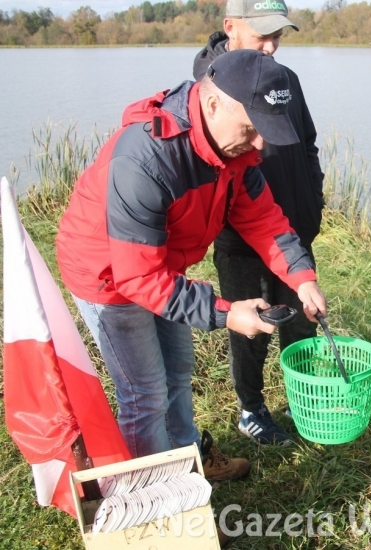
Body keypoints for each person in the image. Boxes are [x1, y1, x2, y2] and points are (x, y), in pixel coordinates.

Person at [56, 49, 328, 481]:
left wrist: (302, 277)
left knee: (177, 373)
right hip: (108, 276)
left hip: (162, 267)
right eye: (252, 129)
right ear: (214, 103)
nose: (260, 144)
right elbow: (138, 277)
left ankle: (187, 465)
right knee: (145, 393)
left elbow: (262, 217)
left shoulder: (235, 151)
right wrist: (226, 313)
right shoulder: (146, 158)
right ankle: (163, 503)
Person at [192, 0, 324, 446]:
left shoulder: (287, 80)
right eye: (260, 34)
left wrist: (313, 198)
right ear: (230, 26)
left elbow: (307, 143)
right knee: (251, 324)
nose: (270, 46)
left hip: (292, 230)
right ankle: (251, 409)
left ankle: (303, 398)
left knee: (301, 320)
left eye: (278, 35)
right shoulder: (211, 84)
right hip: (240, 238)